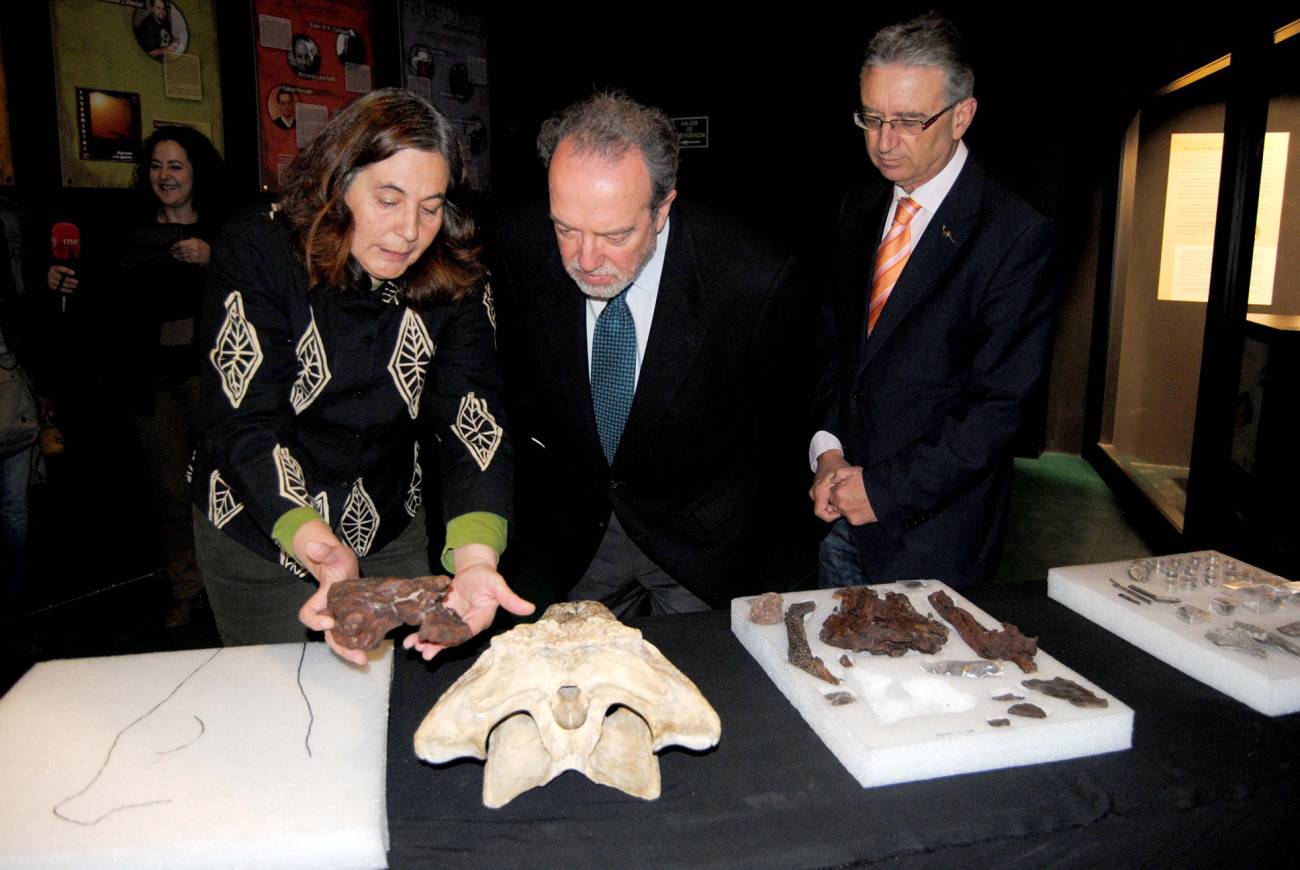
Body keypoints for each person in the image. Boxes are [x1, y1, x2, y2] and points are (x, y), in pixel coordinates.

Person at [190, 88, 532, 664]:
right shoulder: (261, 248)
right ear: (338, 180)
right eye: (388, 199)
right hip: (259, 527)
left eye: (430, 206)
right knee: (282, 711)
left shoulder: (456, 270)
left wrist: (476, 561)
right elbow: (244, 420)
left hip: (389, 521)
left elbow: (473, 418)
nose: (408, 231)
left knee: (390, 705)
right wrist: (317, 546)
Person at [493, 92, 808, 617]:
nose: (585, 258)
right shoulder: (517, 246)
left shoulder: (751, 279)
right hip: (575, 543)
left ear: (662, 209)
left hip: (697, 548)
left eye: (615, 234)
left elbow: (773, 437)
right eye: (566, 228)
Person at [809, 13, 1058, 590]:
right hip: (840, 519)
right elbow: (835, 353)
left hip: (934, 538)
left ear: (962, 116)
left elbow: (999, 409)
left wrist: (883, 490)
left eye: (909, 121)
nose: (884, 141)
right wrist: (827, 451)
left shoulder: (1013, 234)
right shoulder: (859, 208)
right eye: (871, 118)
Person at [48, 125, 225, 627]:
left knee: (222, 484)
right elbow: (95, 292)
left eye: (176, 166)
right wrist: (59, 281)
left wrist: (210, 258)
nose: (164, 177)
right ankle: (185, 585)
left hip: (211, 376)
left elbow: (253, 293)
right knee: (169, 490)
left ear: (196, 172)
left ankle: (224, 581)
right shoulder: (126, 230)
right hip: (152, 381)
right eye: (156, 166)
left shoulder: (225, 233)